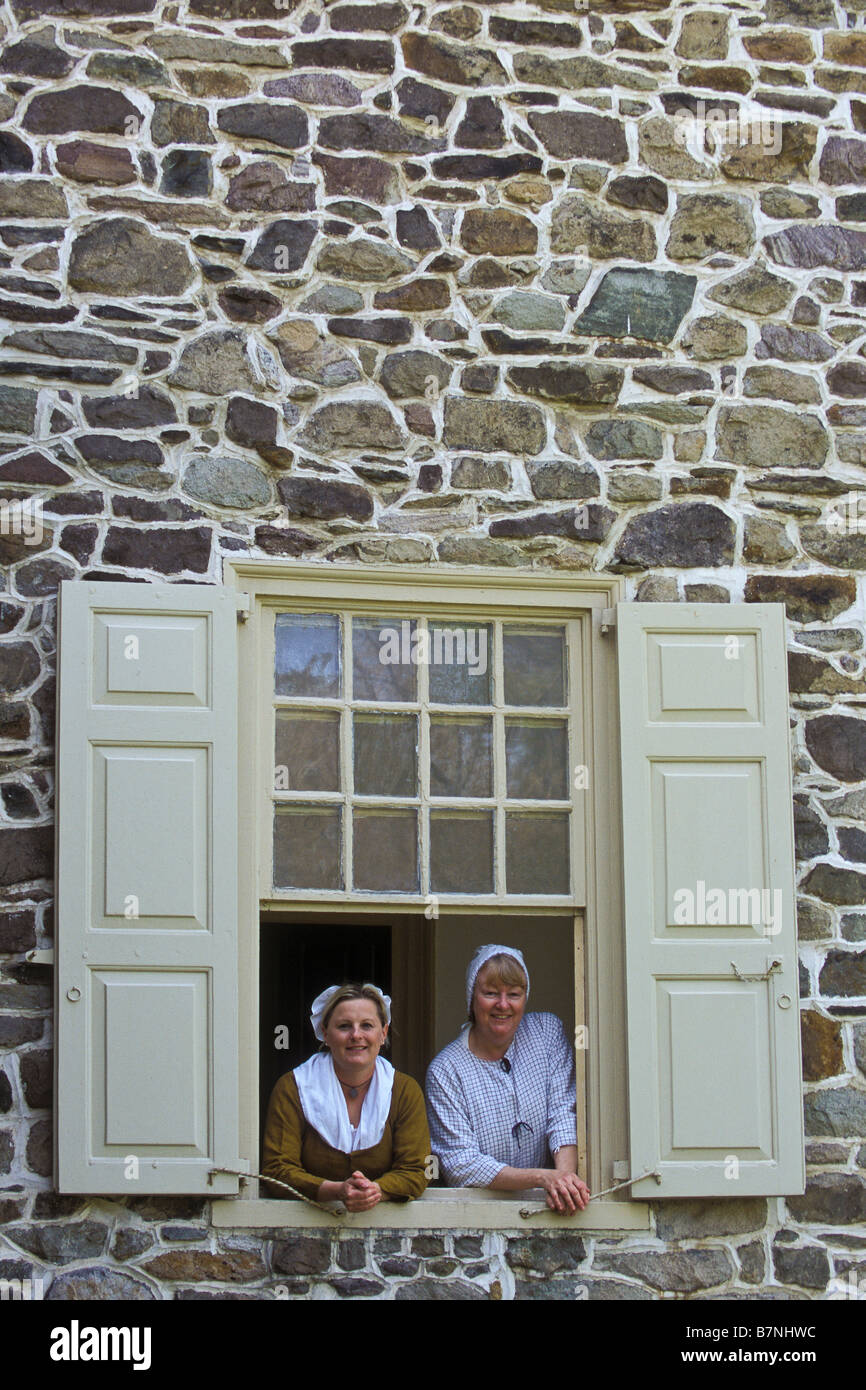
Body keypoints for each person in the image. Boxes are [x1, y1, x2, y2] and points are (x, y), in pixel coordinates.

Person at [425, 944, 590, 1214]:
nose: (503, 1004)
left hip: (550, 1206)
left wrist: (564, 1180)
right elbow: (460, 1164)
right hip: (481, 1213)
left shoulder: (546, 1033)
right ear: (472, 997)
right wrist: (542, 1178)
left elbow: (563, 1113)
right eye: (491, 994)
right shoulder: (446, 1070)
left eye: (514, 994)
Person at [262, 982, 430, 1210]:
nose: (356, 1035)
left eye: (367, 1026)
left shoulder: (404, 1091)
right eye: (344, 1026)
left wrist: (377, 1191)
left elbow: (417, 1170)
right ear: (324, 1033)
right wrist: (335, 1191)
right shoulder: (293, 1087)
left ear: (383, 1033)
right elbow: (277, 1169)